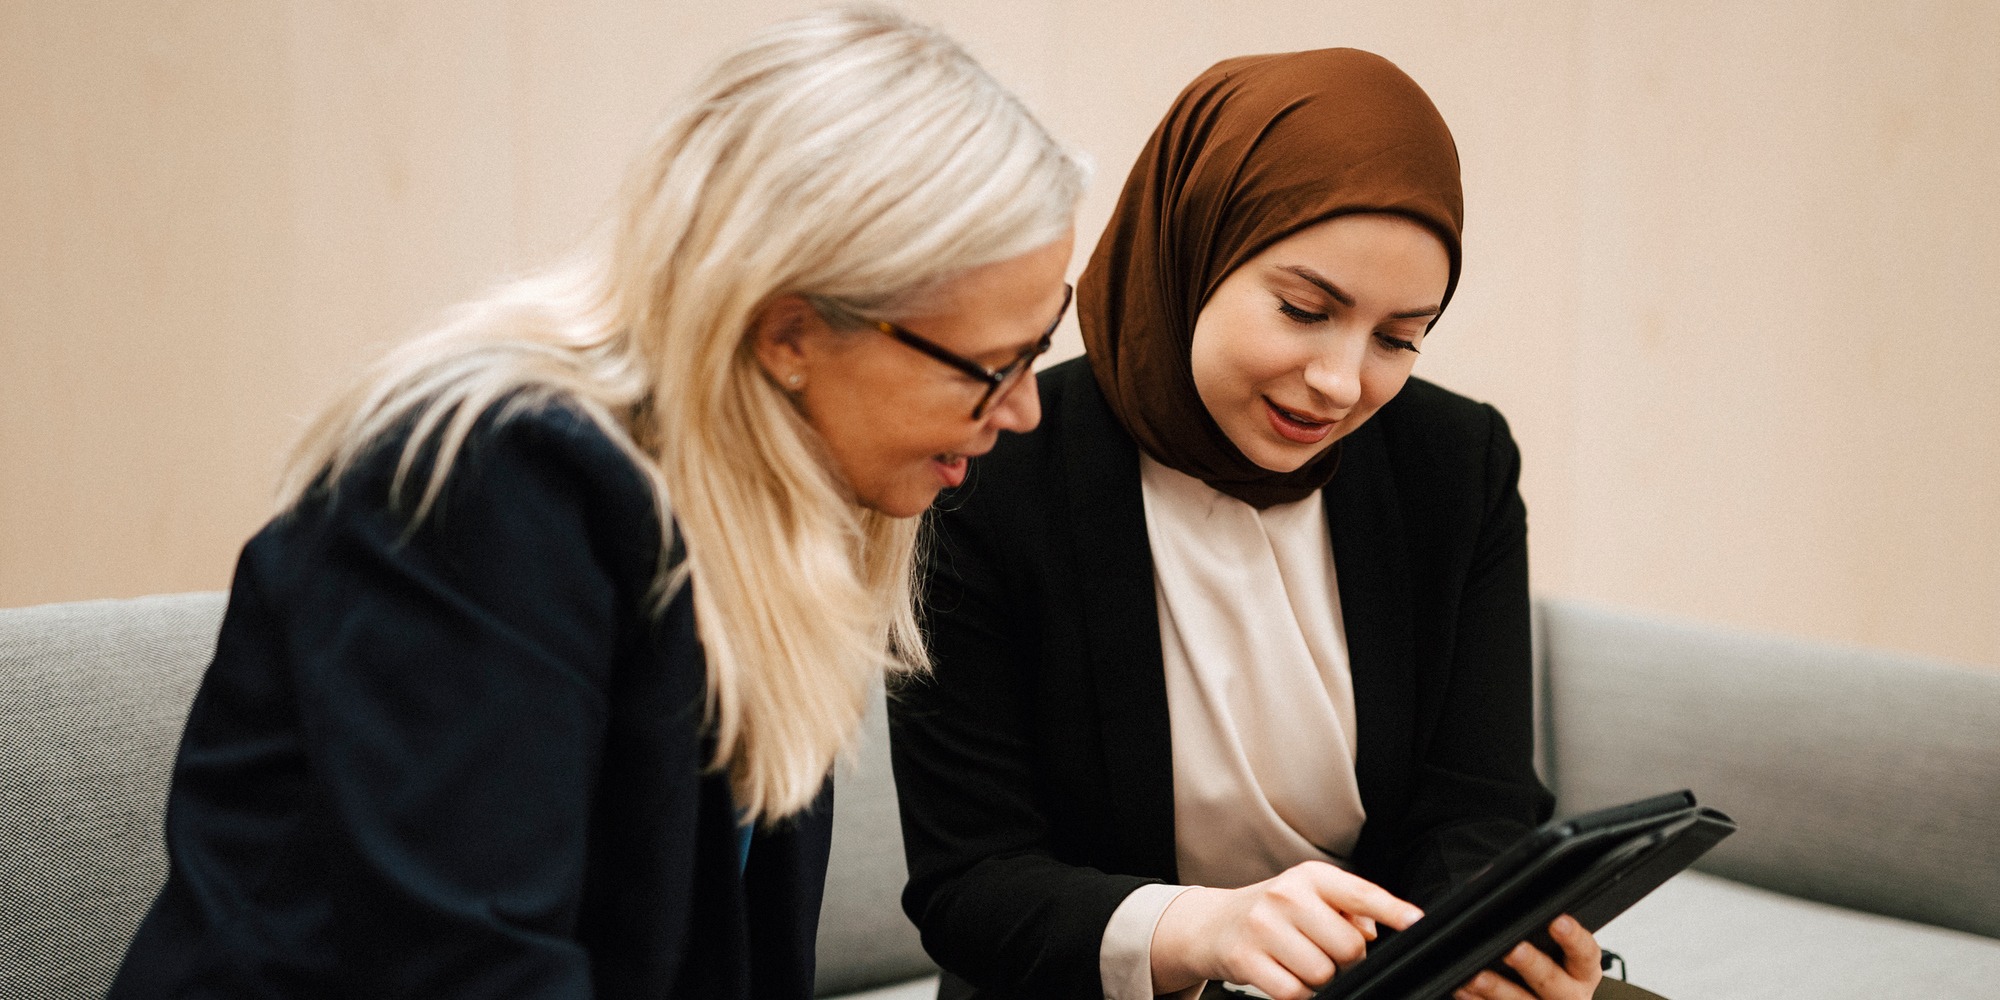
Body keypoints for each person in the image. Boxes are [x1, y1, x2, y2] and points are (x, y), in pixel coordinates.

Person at [106, 7, 1081, 999]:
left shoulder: (778, 518)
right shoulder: (489, 486)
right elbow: (474, 970)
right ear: (787, 332)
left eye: (1038, 346)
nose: (1026, 412)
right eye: (992, 366)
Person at [890, 48, 1661, 1000]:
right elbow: (972, 885)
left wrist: (1484, 938)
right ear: (1193, 250)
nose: (1341, 383)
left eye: (1398, 337)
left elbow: (1479, 800)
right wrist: (1203, 929)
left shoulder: (1455, 464)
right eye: (1304, 310)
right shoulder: (986, 475)